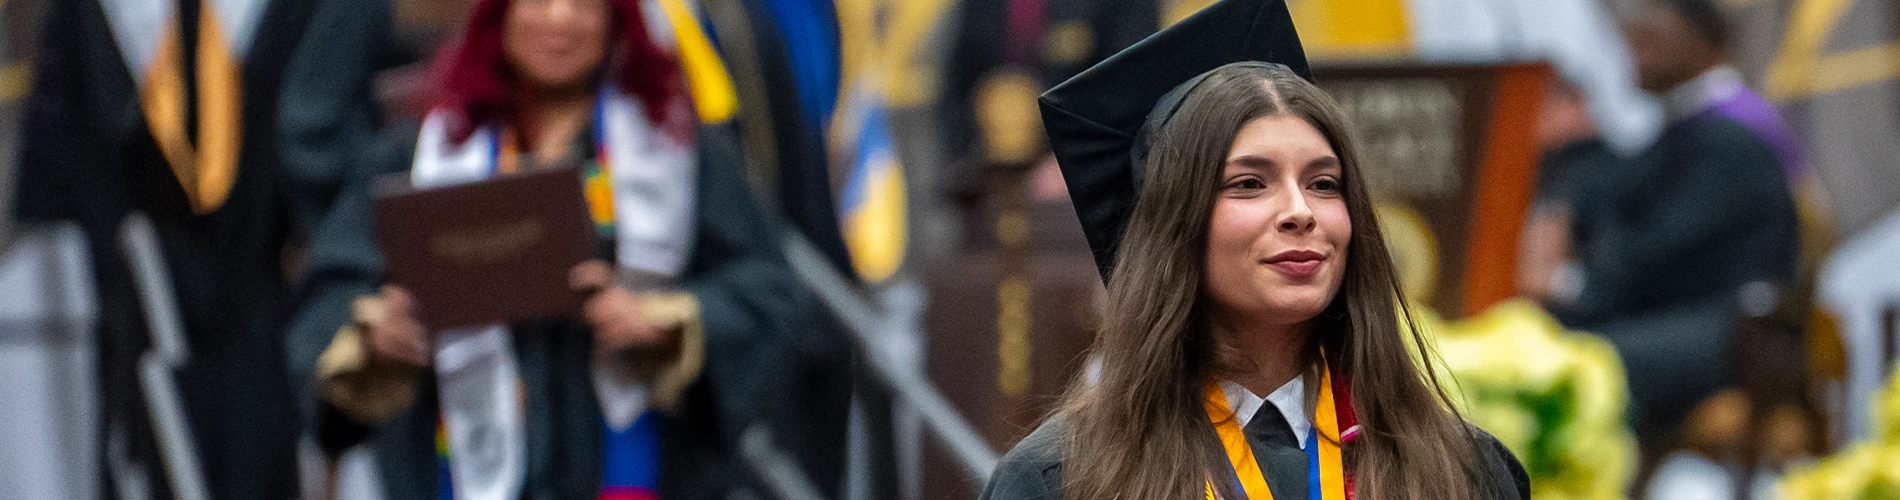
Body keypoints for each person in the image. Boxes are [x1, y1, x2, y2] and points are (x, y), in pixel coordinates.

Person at [295, 0, 851, 497]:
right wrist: (375, 338)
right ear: (498, 15)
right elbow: (329, 303)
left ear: (616, 17)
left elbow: (773, 298)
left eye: (585, 3)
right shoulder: (420, 156)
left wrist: (669, 323)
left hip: (636, 468)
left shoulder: (677, 152)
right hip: (458, 468)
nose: (559, 17)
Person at [982, 0, 1530, 498]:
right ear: (1173, 227)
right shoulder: (1065, 480)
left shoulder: (1459, 468)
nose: (1300, 211)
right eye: (1248, 183)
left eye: (1324, 183)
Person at [12, 0, 323, 497]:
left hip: (260, 325)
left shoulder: (297, 15)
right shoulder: (85, 17)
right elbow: (51, 183)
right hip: (129, 328)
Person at [1517, 0, 1801, 449]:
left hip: (1732, 327)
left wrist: (1570, 289)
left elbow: (1658, 253)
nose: (1632, 38)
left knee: (1576, 363)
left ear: (1703, 32)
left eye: (1650, 20)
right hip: (1678, 315)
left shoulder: (1735, 131)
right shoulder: (1681, 129)